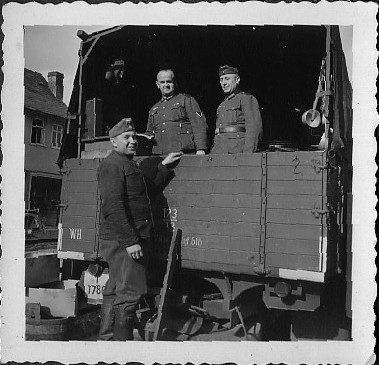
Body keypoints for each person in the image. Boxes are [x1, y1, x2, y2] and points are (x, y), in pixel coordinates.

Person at [97, 117, 182, 341]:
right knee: (129, 294)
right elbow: (113, 208)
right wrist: (131, 241)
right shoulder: (112, 165)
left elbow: (147, 189)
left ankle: (106, 342)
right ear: (114, 142)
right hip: (124, 241)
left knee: (115, 290)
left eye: (134, 137)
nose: (133, 141)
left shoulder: (127, 164)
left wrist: (163, 166)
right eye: (127, 137)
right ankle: (120, 349)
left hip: (122, 240)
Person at [145, 69, 208, 155]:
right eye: (162, 82)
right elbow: (149, 134)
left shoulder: (186, 100)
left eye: (169, 82)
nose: (166, 85)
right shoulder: (154, 109)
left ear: (175, 83)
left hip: (184, 154)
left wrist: (201, 148)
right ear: (157, 84)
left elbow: (199, 125)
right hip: (161, 156)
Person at [211, 65, 263, 154]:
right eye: (221, 80)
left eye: (227, 79)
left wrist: (247, 155)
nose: (224, 83)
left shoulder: (246, 99)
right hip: (219, 151)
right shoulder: (222, 104)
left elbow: (253, 129)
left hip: (237, 151)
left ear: (237, 80)